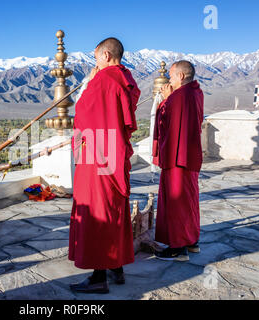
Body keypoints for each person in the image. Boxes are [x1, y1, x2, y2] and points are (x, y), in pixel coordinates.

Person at [68, 37, 141, 293]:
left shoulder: (103, 80)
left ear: (106, 55)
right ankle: (116, 267)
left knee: (97, 213)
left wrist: (88, 82)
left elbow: (83, 113)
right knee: (114, 211)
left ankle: (99, 278)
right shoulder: (126, 79)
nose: (95, 63)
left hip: (97, 156)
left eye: (96, 57)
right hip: (114, 153)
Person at [152, 60, 204, 261]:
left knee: (176, 203)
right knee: (189, 200)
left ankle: (178, 248)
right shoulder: (195, 93)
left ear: (181, 76)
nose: (169, 81)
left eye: (172, 77)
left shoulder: (179, 96)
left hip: (177, 157)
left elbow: (165, 121)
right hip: (189, 156)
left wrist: (165, 100)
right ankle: (191, 241)